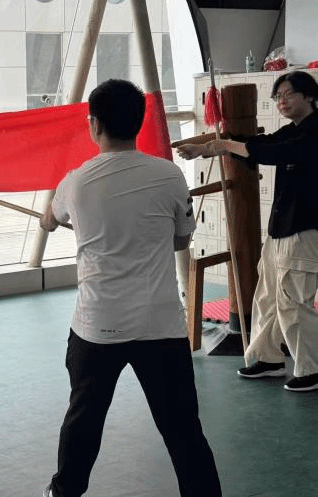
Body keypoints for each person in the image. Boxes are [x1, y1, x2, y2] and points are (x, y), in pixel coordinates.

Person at [40, 79, 221, 497]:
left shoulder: (75, 182)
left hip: (97, 326)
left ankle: (64, 492)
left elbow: (51, 219)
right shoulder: (169, 176)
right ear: (138, 123)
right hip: (161, 325)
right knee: (183, 429)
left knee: (84, 420)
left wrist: (50, 220)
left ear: (94, 124)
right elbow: (180, 240)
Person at [177, 70, 318, 392]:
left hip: (306, 230)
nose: (281, 101)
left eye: (288, 94)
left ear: (309, 96)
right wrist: (214, 146)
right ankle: (268, 358)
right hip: (282, 230)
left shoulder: (314, 132)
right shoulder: (293, 130)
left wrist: (222, 144)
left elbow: (280, 153)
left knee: (294, 302)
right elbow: (262, 144)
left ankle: (312, 368)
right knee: (267, 297)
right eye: (277, 96)